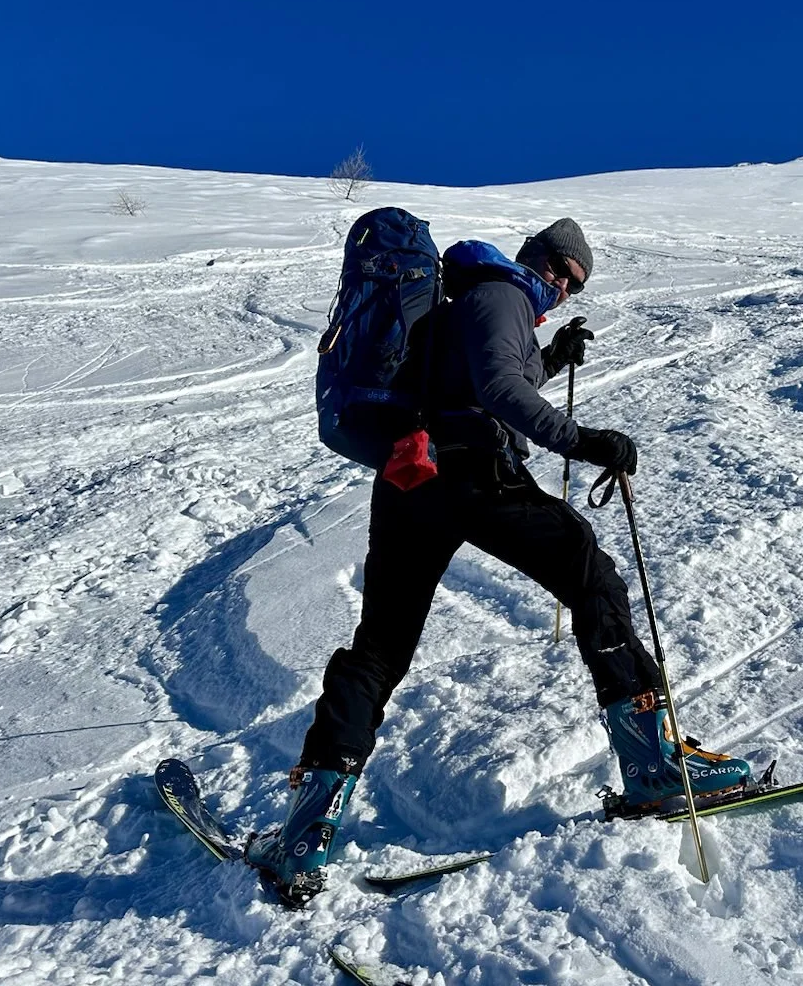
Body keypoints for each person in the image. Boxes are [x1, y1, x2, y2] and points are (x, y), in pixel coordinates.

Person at [246, 217, 753, 903]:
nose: (563, 291)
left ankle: (304, 834)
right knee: (590, 574)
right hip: (474, 475)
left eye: (573, 287)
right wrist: (587, 441)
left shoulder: (470, 298)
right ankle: (655, 767)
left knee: (381, 646)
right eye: (562, 275)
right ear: (536, 259)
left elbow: (482, 373)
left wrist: (551, 359)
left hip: (409, 481)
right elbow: (498, 392)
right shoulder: (504, 293)